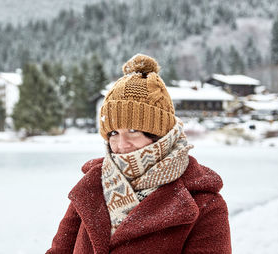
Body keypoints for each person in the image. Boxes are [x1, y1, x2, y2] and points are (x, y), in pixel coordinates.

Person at [46, 54, 231, 253]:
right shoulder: (92, 187)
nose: (121, 144)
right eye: (114, 133)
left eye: (133, 131)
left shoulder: (204, 203)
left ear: (159, 134)